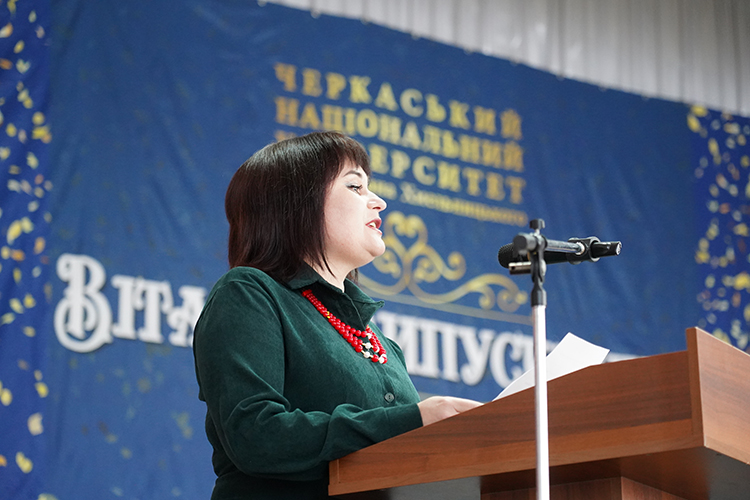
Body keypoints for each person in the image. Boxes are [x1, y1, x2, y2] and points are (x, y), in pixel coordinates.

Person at [193, 131, 482, 499]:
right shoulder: (249, 292)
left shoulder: (382, 343)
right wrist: (415, 419)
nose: (378, 202)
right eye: (355, 186)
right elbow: (255, 435)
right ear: (297, 203)